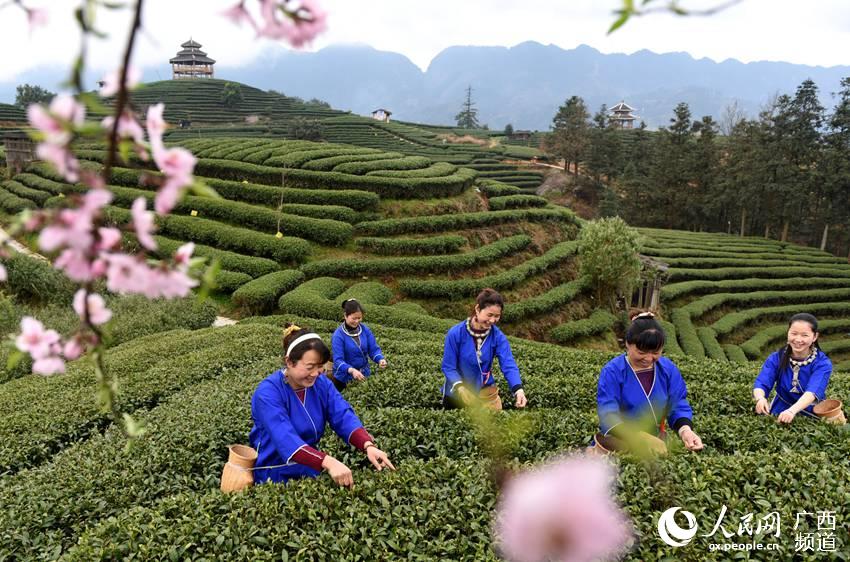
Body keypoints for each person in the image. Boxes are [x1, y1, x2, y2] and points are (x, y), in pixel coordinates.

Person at [249, 323, 395, 486]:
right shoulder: (268, 393)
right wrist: (328, 462)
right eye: (310, 367)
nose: (315, 373)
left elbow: (342, 415)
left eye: (320, 367)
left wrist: (367, 445)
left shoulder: (321, 384)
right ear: (289, 362)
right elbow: (285, 438)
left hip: (310, 464)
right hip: (274, 472)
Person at [595, 312, 704, 452]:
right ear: (628, 344)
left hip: (656, 444)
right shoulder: (613, 371)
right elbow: (608, 415)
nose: (648, 358)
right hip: (619, 443)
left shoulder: (667, 369)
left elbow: (677, 404)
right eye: (641, 352)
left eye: (656, 352)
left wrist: (686, 431)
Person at [441, 288, 527, 410]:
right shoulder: (456, 333)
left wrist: (518, 390)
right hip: (455, 394)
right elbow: (448, 367)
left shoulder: (498, 337)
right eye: (489, 315)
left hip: (484, 393)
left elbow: (508, 364)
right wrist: (460, 387)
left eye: (497, 316)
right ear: (477, 309)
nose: (492, 320)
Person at [753, 313, 833, 424]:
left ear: (815, 337)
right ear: (788, 333)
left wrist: (792, 411)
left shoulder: (822, 363)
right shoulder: (776, 358)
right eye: (794, 333)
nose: (798, 339)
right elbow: (762, 382)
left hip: (810, 410)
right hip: (781, 407)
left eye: (804, 335)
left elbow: (813, 391)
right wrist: (760, 398)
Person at [331, 298, 387, 391]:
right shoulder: (338, 335)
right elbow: (338, 360)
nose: (357, 321)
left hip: (363, 374)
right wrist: (351, 370)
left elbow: (373, 349)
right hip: (344, 379)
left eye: (359, 318)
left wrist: (380, 359)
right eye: (354, 318)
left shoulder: (365, 330)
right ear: (345, 316)